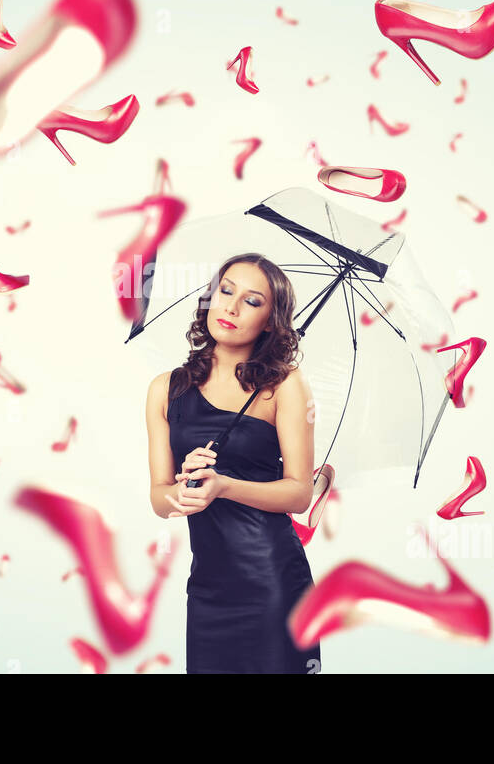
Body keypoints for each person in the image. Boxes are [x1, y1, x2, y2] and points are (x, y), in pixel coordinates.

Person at [144, 252, 322, 673]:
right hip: (208, 590)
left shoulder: (284, 387)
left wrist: (224, 485)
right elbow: (158, 497)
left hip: (273, 581)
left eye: (253, 301)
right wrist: (183, 492)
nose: (232, 306)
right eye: (226, 290)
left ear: (270, 321)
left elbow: (299, 493)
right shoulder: (163, 390)